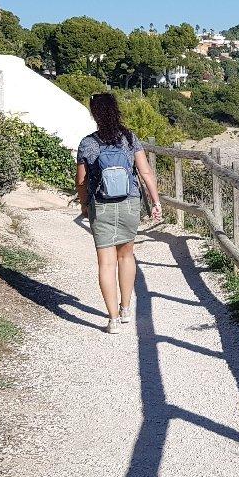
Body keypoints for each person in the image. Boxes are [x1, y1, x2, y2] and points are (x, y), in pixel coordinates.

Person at [76, 93, 162, 334]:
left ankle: (112, 319)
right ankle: (125, 309)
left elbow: (81, 181)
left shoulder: (87, 143)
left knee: (106, 263)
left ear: (94, 114)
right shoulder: (129, 138)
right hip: (129, 202)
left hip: (101, 205)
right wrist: (156, 202)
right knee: (126, 256)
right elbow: (146, 172)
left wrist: (84, 205)